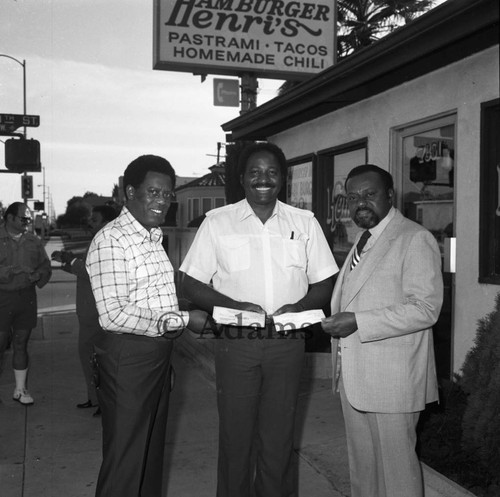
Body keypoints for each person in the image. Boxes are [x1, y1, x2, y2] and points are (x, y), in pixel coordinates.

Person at [180, 142, 339, 497]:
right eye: (254, 172)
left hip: (287, 345)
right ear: (242, 179)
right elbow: (190, 281)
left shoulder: (305, 223)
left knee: (279, 438)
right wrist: (233, 304)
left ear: (283, 178)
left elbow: (326, 280)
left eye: (271, 172)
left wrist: (298, 308)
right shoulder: (218, 224)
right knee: (236, 439)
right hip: (237, 345)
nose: (262, 179)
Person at [86, 155, 210, 497]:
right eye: (153, 192)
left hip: (155, 355)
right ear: (130, 192)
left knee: (149, 458)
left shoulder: (151, 237)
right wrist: (184, 320)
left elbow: (153, 302)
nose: (161, 201)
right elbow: (113, 313)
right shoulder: (113, 240)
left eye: (167, 195)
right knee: (126, 464)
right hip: (127, 358)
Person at [321, 164, 444, 497]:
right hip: (354, 376)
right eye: (353, 196)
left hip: (392, 380)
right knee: (364, 472)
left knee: (397, 475)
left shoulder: (415, 238)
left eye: (370, 194)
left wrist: (358, 321)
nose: (360, 202)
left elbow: (426, 309)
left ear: (391, 195)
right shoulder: (364, 239)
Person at [51, 204, 118, 417]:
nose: (90, 222)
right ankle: (95, 398)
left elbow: (91, 273)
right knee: (90, 357)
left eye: (95, 219)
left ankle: (101, 401)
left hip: (95, 313)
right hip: (90, 312)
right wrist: (68, 262)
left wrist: (68, 260)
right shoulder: (99, 242)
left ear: (107, 222)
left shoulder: (105, 243)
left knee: (93, 357)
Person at [0, 202, 52, 405]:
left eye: (28, 219)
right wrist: (11, 270)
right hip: (2, 296)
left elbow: (45, 267)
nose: (27, 222)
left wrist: (39, 274)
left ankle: (20, 390)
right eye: (23, 219)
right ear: (10, 218)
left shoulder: (33, 241)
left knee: (21, 342)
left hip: (26, 298)